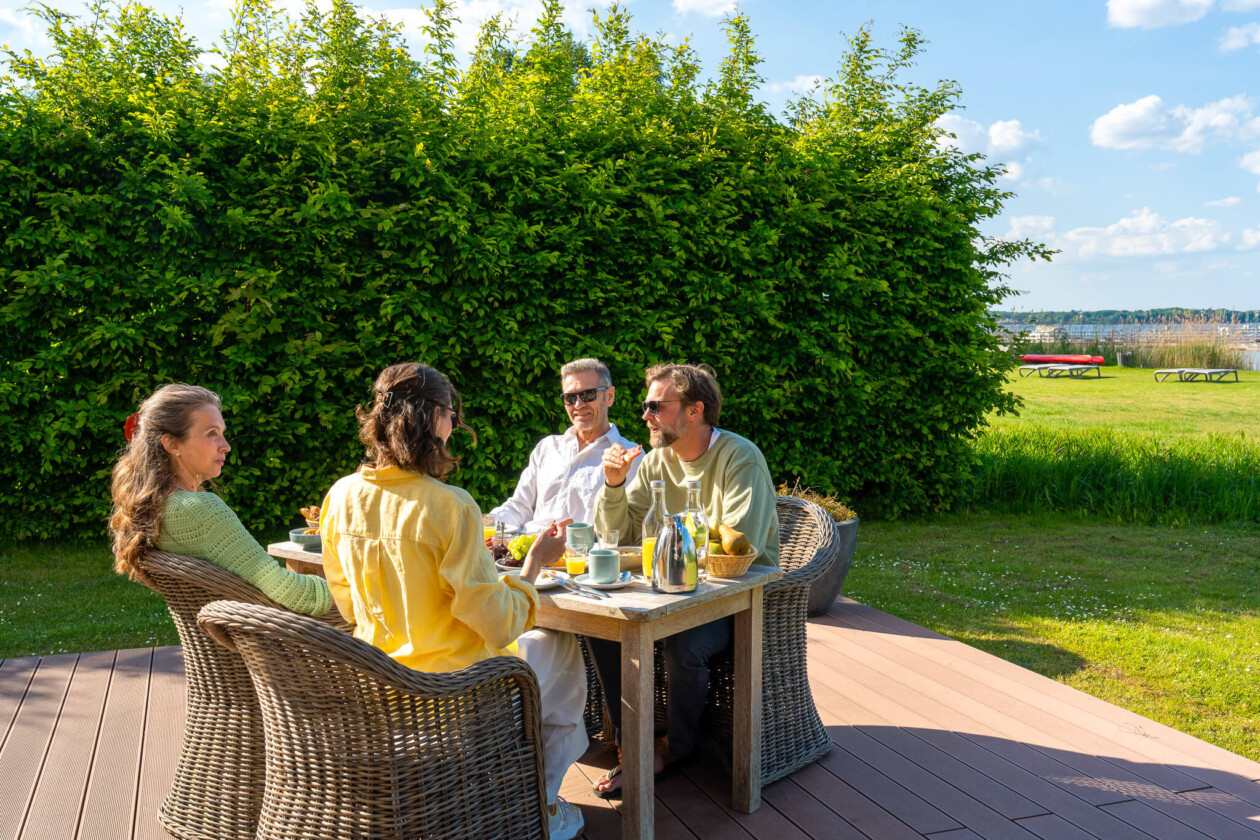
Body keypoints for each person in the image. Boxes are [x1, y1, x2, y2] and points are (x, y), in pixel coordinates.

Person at [318, 362, 588, 840]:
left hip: (378, 679)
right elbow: (500, 624)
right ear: (435, 420)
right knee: (560, 648)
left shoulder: (340, 497)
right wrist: (534, 566)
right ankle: (543, 804)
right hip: (454, 691)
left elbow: (347, 603)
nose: (453, 428)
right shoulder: (450, 505)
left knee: (546, 648)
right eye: (452, 417)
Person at [588, 363, 780, 798]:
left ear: (695, 411)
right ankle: (632, 746)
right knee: (603, 628)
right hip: (669, 589)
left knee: (684, 642)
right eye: (645, 406)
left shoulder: (739, 457)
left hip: (735, 598)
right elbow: (619, 533)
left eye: (656, 406)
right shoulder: (657, 461)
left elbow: (731, 548)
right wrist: (614, 485)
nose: (646, 416)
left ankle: (676, 747)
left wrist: (666, 546)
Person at [109, 383, 334, 616]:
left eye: (222, 434)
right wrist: (359, 589)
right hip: (276, 645)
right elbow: (293, 594)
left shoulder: (156, 508)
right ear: (172, 444)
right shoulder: (200, 511)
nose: (226, 446)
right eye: (212, 434)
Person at [488, 357, 641, 534]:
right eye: (569, 397)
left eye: (587, 394)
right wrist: (486, 523)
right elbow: (519, 507)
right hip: (527, 551)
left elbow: (625, 529)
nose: (578, 404)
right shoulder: (547, 447)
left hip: (581, 556)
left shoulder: (630, 457)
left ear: (610, 396)